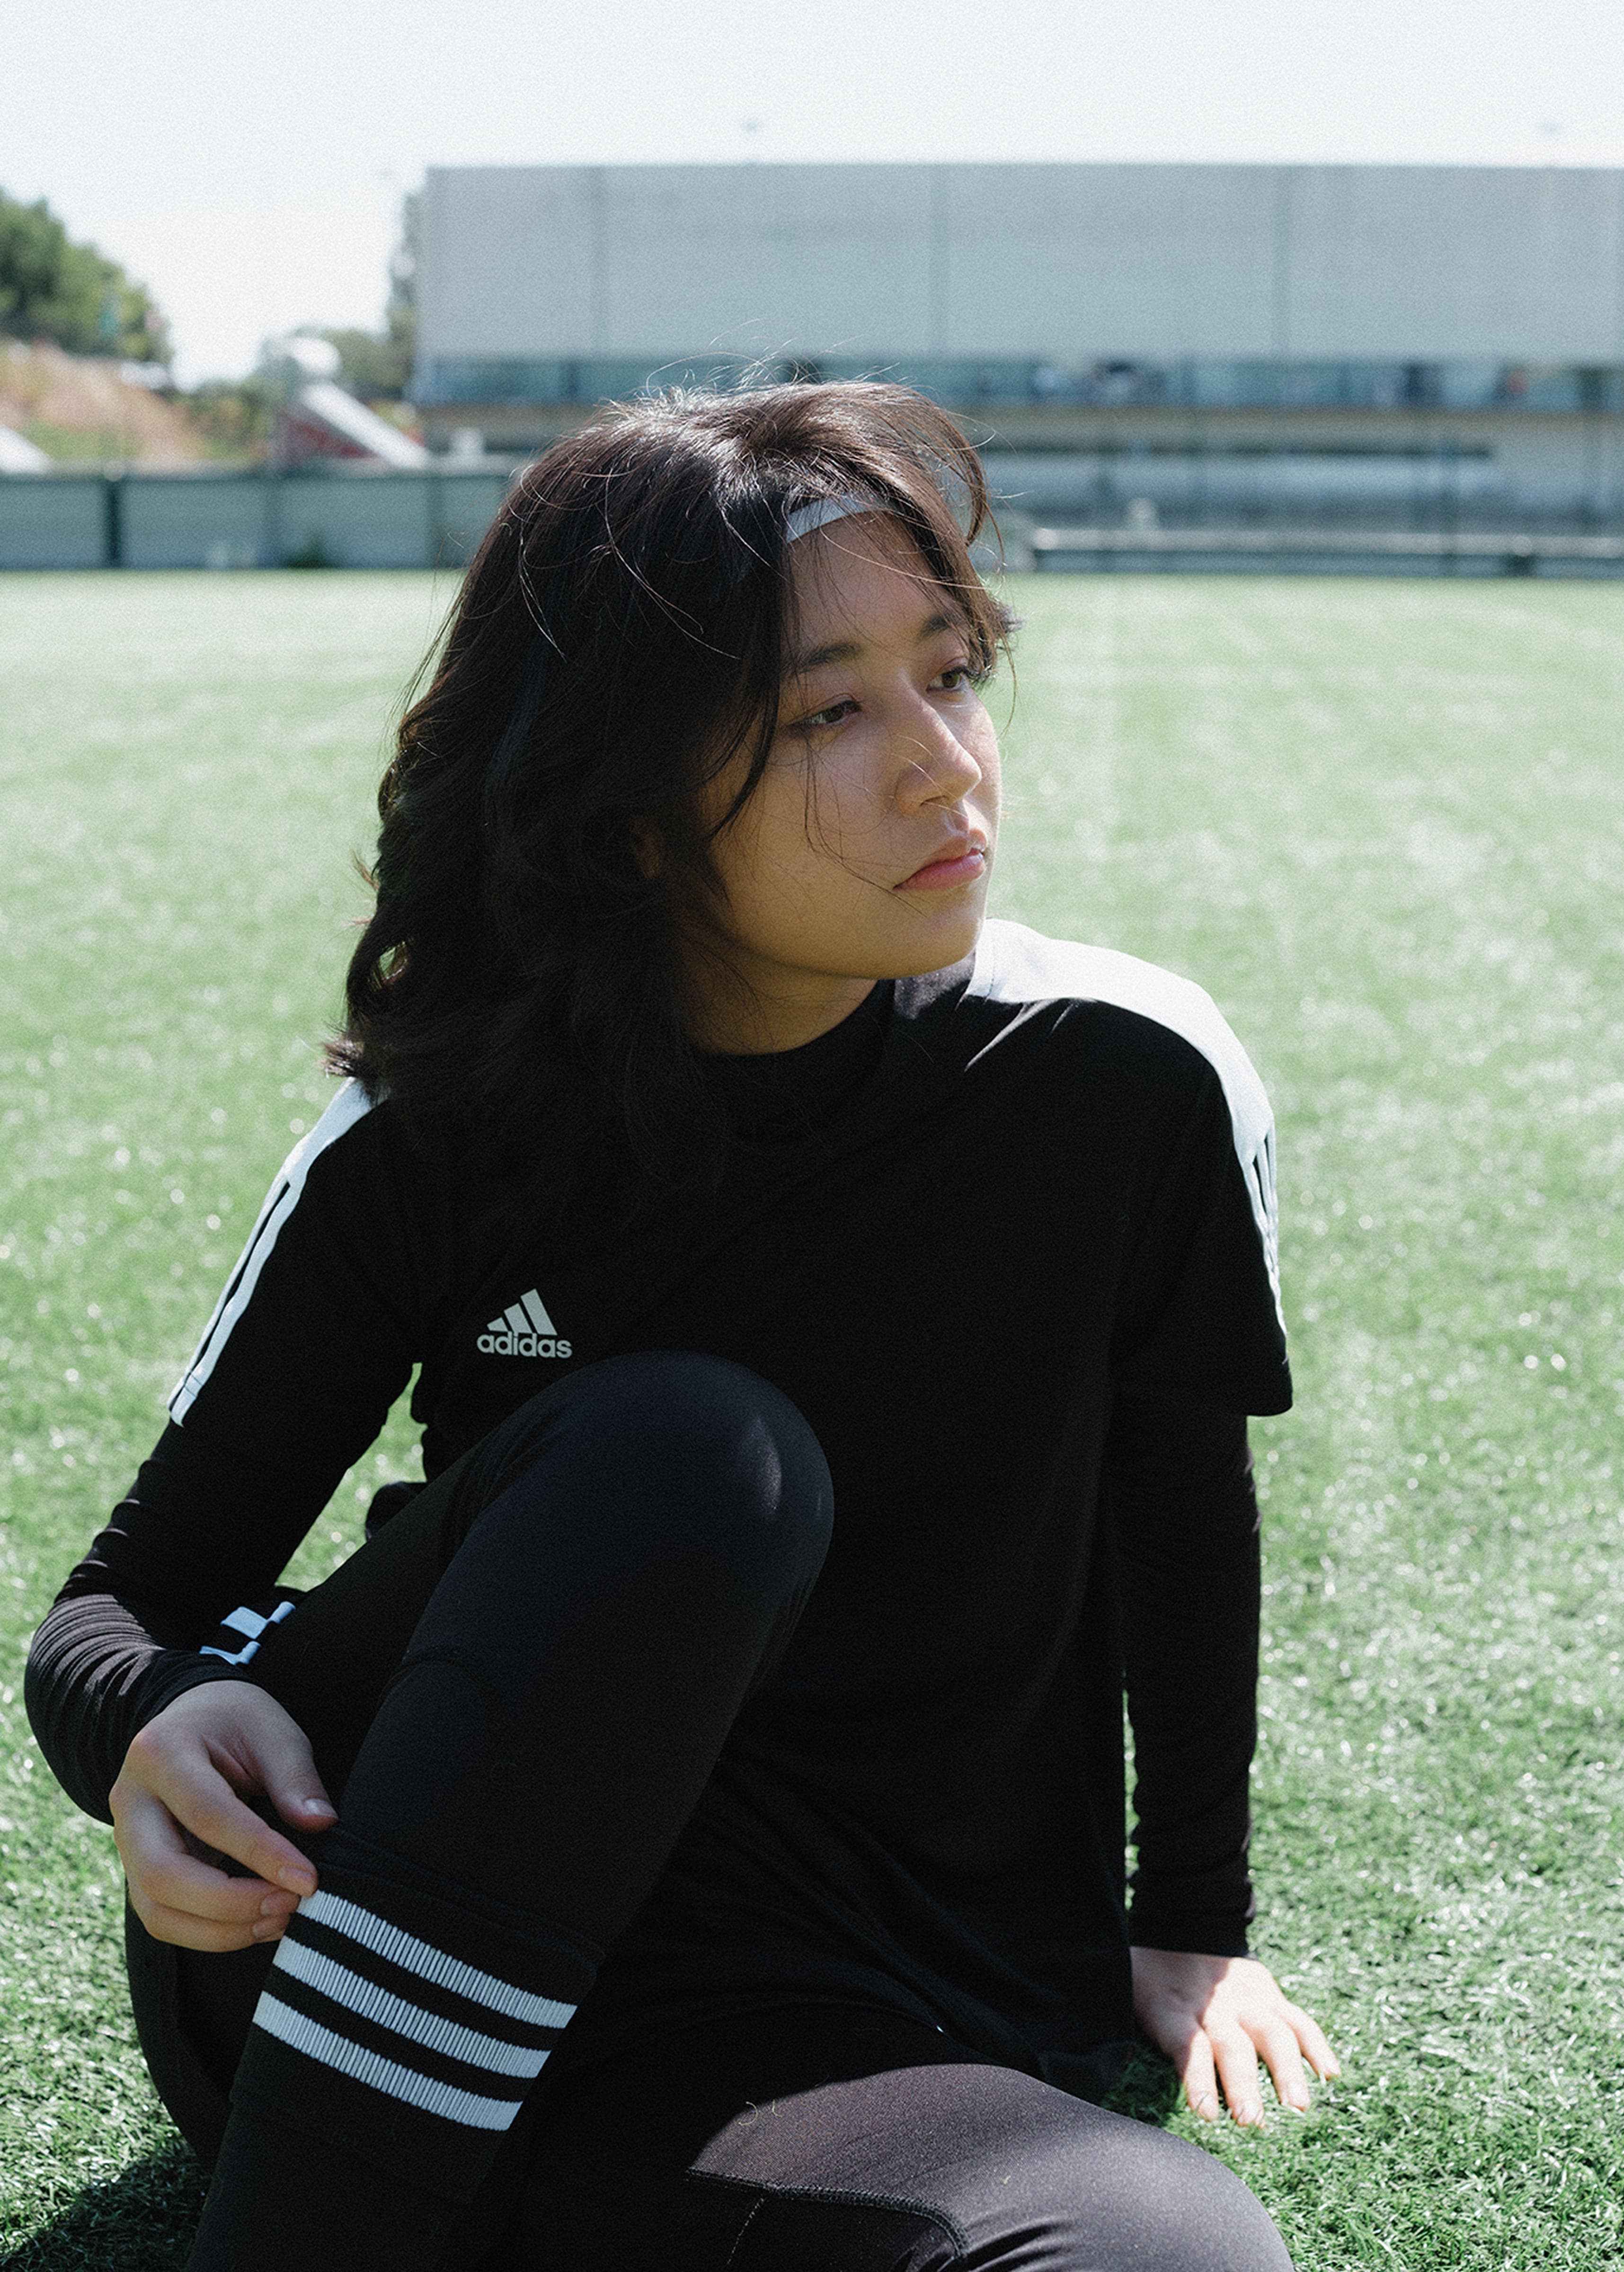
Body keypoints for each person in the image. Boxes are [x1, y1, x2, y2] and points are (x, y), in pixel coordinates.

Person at [27, 381, 1338, 2271]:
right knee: (692, 1457)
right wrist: (156, 1726)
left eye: (951, 673)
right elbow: (115, 1613)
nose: (944, 768)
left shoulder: (1125, 1081)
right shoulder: (449, 1134)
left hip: (831, 2030)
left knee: (1171, 2260)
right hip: (371, 1949)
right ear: (632, 814)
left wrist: (1190, 1916)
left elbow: (1178, 1498)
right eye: (828, 712)